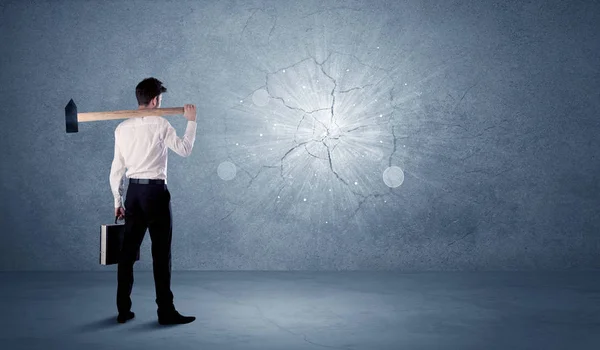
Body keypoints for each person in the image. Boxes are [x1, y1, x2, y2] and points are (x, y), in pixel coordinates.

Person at [109, 77, 197, 325]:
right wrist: (191, 123)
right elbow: (184, 149)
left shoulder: (122, 128)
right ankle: (165, 312)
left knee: (127, 254)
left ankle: (123, 311)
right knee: (160, 254)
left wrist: (118, 199)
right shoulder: (161, 123)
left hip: (133, 194)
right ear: (156, 100)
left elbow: (117, 168)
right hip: (156, 194)